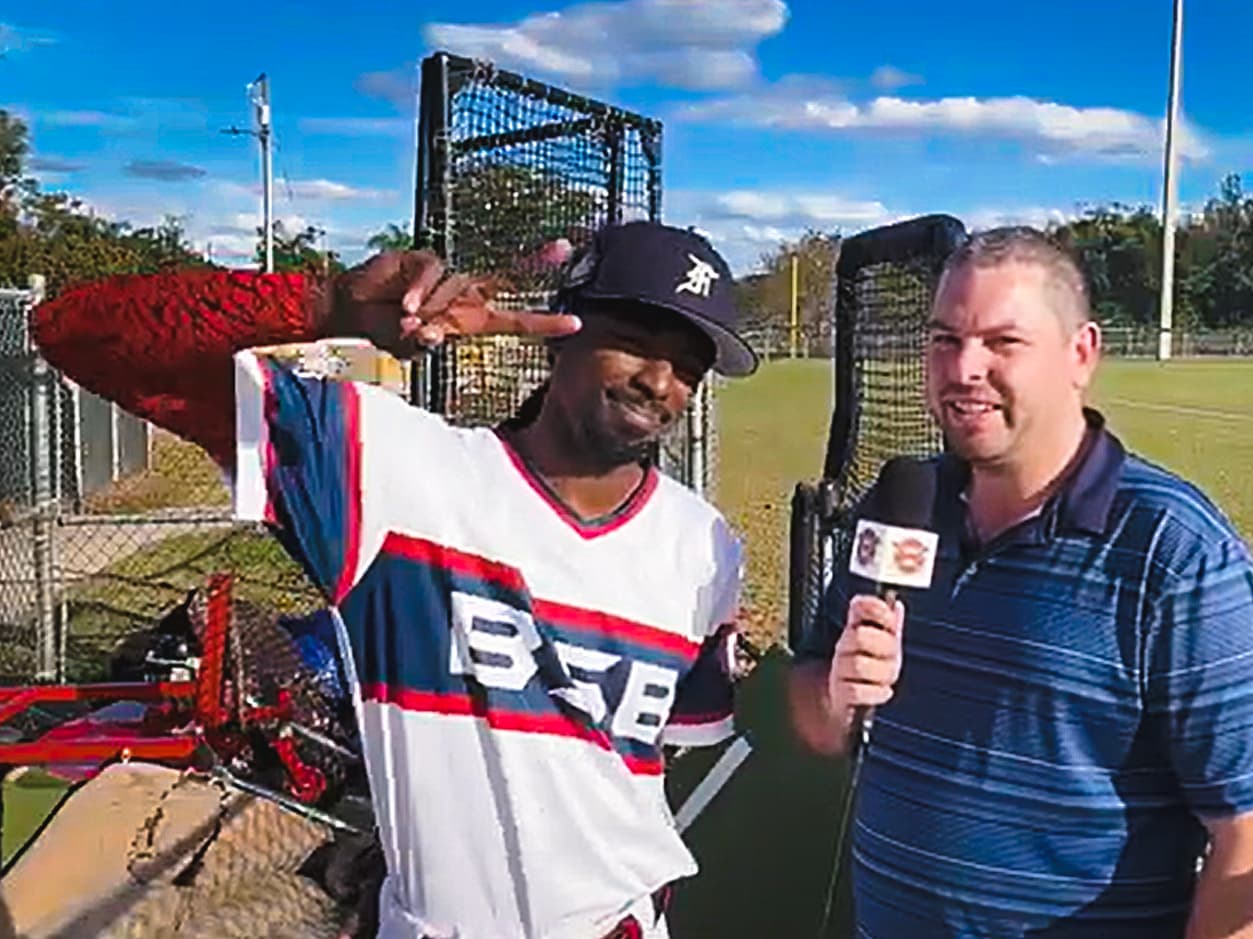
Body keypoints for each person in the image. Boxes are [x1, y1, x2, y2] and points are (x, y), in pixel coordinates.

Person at [31, 220, 759, 939]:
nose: (660, 382)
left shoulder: (704, 548)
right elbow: (77, 334)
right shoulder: (389, 469)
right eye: (635, 339)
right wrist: (326, 307)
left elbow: (646, 762)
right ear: (560, 329)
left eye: (689, 363)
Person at [787, 226, 1253, 938]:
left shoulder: (1174, 549)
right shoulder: (899, 503)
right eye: (944, 338)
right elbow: (811, 707)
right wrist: (836, 697)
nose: (962, 367)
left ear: (1081, 354)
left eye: (1001, 342)